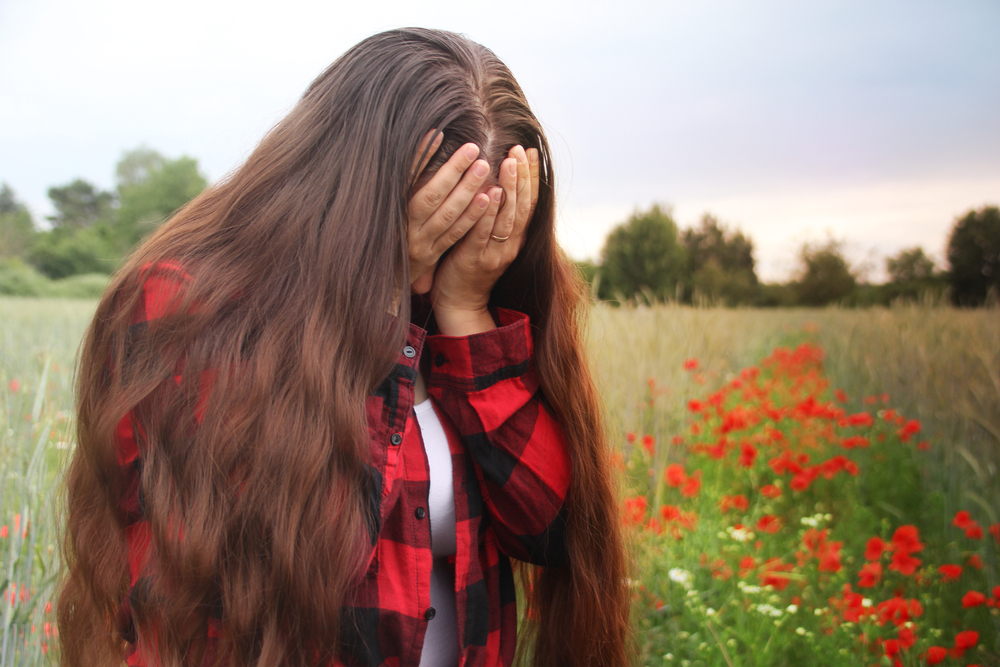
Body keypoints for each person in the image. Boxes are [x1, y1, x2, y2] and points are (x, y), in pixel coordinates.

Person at [59, 28, 629, 667]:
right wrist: (377, 299)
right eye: (437, 217)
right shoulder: (184, 307)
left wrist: (467, 313)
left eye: (481, 228)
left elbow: (550, 529)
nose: (449, 252)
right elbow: (290, 554)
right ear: (351, 192)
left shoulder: (461, 303)